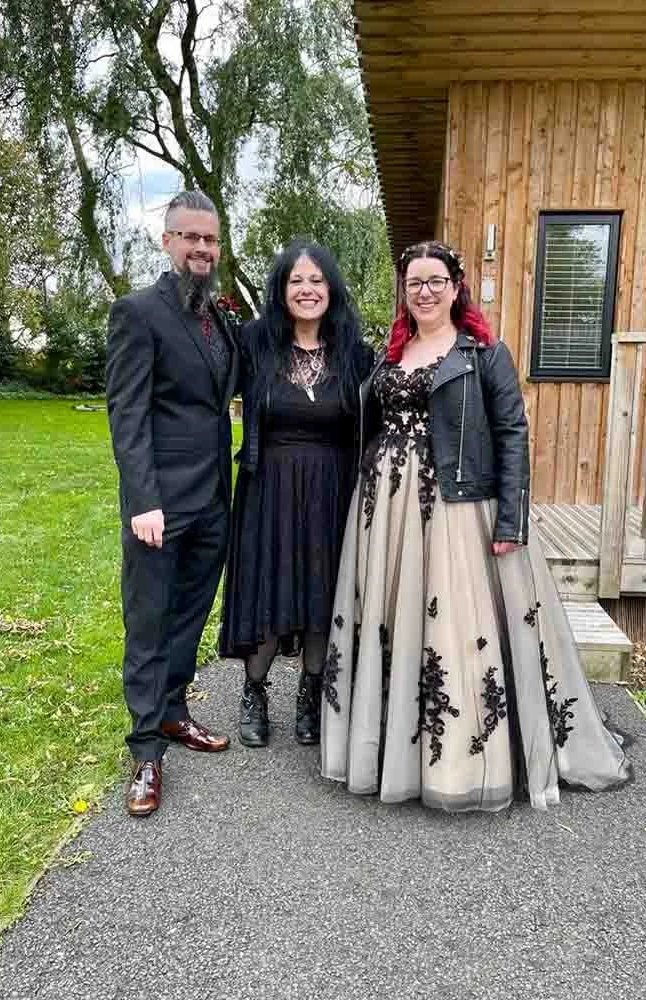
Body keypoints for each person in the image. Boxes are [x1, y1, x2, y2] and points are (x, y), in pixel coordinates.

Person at [321, 240, 631, 812]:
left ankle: (463, 762)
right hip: (385, 511)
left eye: (436, 280)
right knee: (395, 619)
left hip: (455, 505)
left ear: (457, 286)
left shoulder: (484, 353)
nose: (425, 292)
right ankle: (390, 748)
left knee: (454, 627)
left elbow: (513, 434)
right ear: (405, 291)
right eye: (415, 283)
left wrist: (511, 517)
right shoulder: (391, 352)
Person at [105, 191, 239, 817]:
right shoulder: (139, 313)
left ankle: (174, 713)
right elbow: (127, 413)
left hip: (212, 500)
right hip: (159, 506)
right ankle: (144, 752)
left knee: (190, 617)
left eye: (210, 240)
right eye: (190, 238)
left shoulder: (218, 321)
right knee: (150, 623)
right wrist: (142, 500)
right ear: (167, 241)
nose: (202, 250)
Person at [220, 239, 373, 748]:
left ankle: (311, 695)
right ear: (281, 290)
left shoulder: (356, 353)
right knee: (269, 586)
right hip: (269, 487)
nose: (307, 290)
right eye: (296, 281)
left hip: (332, 488)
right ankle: (254, 692)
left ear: (331, 289)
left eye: (316, 280)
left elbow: (376, 425)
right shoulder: (254, 343)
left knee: (319, 591)